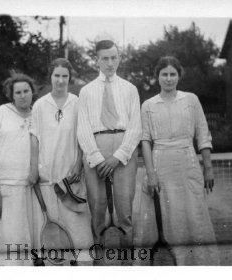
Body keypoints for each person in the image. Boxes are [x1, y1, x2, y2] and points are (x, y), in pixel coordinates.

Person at [141, 56, 220, 265]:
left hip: (188, 164)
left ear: (179, 76)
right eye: (164, 74)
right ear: (157, 77)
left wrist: (208, 168)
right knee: (167, 217)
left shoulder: (191, 100)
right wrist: (150, 173)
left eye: (172, 74)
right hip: (160, 167)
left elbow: (203, 134)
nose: (168, 79)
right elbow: (145, 141)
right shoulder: (148, 105)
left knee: (193, 215)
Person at [77, 39, 142, 265]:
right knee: (98, 209)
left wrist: (118, 156)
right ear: (97, 60)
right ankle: (100, 262)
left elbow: (135, 127)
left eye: (114, 58)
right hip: (96, 147)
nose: (110, 63)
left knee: (124, 210)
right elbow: (82, 128)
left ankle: (127, 262)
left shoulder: (130, 89)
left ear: (119, 59)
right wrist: (95, 157)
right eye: (105, 58)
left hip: (123, 149)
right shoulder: (85, 92)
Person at [28, 58, 93, 264]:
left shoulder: (77, 102)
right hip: (47, 176)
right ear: (50, 77)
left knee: (79, 231)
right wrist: (34, 169)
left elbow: (83, 136)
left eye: (65, 76)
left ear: (69, 78)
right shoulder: (39, 105)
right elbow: (34, 139)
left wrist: (78, 164)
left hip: (71, 177)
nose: (61, 80)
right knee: (52, 234)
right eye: (57, 76)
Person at [0, 74, 36, 266]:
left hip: (31, 185)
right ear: (12, 95)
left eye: (26, 91)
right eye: (18, 92)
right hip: (5, 183)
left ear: (32, 92)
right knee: (9, 235)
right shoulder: (2, 112)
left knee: (28, 234)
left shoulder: (38, 114)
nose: (23, 96)